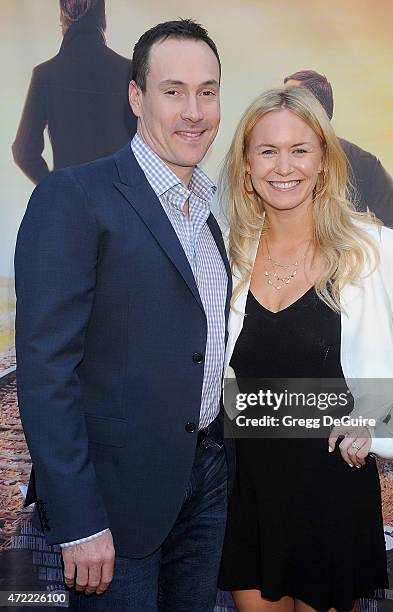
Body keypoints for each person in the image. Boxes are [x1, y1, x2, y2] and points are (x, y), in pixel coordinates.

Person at [15, 19, 232, 611]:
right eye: (173, 90)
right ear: (136, 97)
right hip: (115, 505)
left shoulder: (213, 210)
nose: (194, 110)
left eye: (207, 91)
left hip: (207, 484)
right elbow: (45, 370)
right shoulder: (74, 196)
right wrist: (79, 519)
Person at [217, 87, 393, 611]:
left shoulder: (379, 252)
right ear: (246, 164)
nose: (285, 166)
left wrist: (385, 430)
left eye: (300, 149)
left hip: (331, 487)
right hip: (248, 489)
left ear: (324, 161)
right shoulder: (226, 253)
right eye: (268, 150)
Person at [12, 0, 136, 185]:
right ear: (102, 17)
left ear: (63, 16)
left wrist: (57, 190)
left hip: (72, 207)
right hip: (120, 202)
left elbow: (23, 153)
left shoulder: (45, 75)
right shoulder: (129, 71)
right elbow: (150, 144)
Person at [284, 70, 393, 239]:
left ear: (318, 109)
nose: (279, 105)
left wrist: (362, 257)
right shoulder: (265, 158)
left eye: (289, 99)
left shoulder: (363, 163)